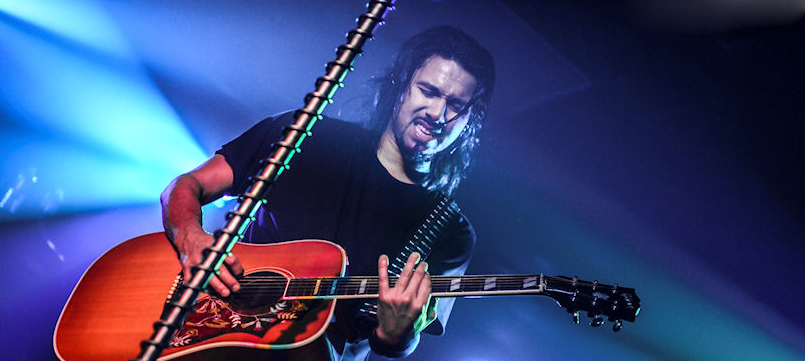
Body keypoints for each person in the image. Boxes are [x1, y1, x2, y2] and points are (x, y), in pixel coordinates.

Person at [160, 25, 495, 360]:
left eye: (456, 105)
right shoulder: (307, 135)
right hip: (205, 337)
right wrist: (190, 239)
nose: (437, 113)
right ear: (402, 85)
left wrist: (400, 334)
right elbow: (187, 186)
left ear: (470, 120)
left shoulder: (450, 231)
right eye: (428, 91)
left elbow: (397, 343)